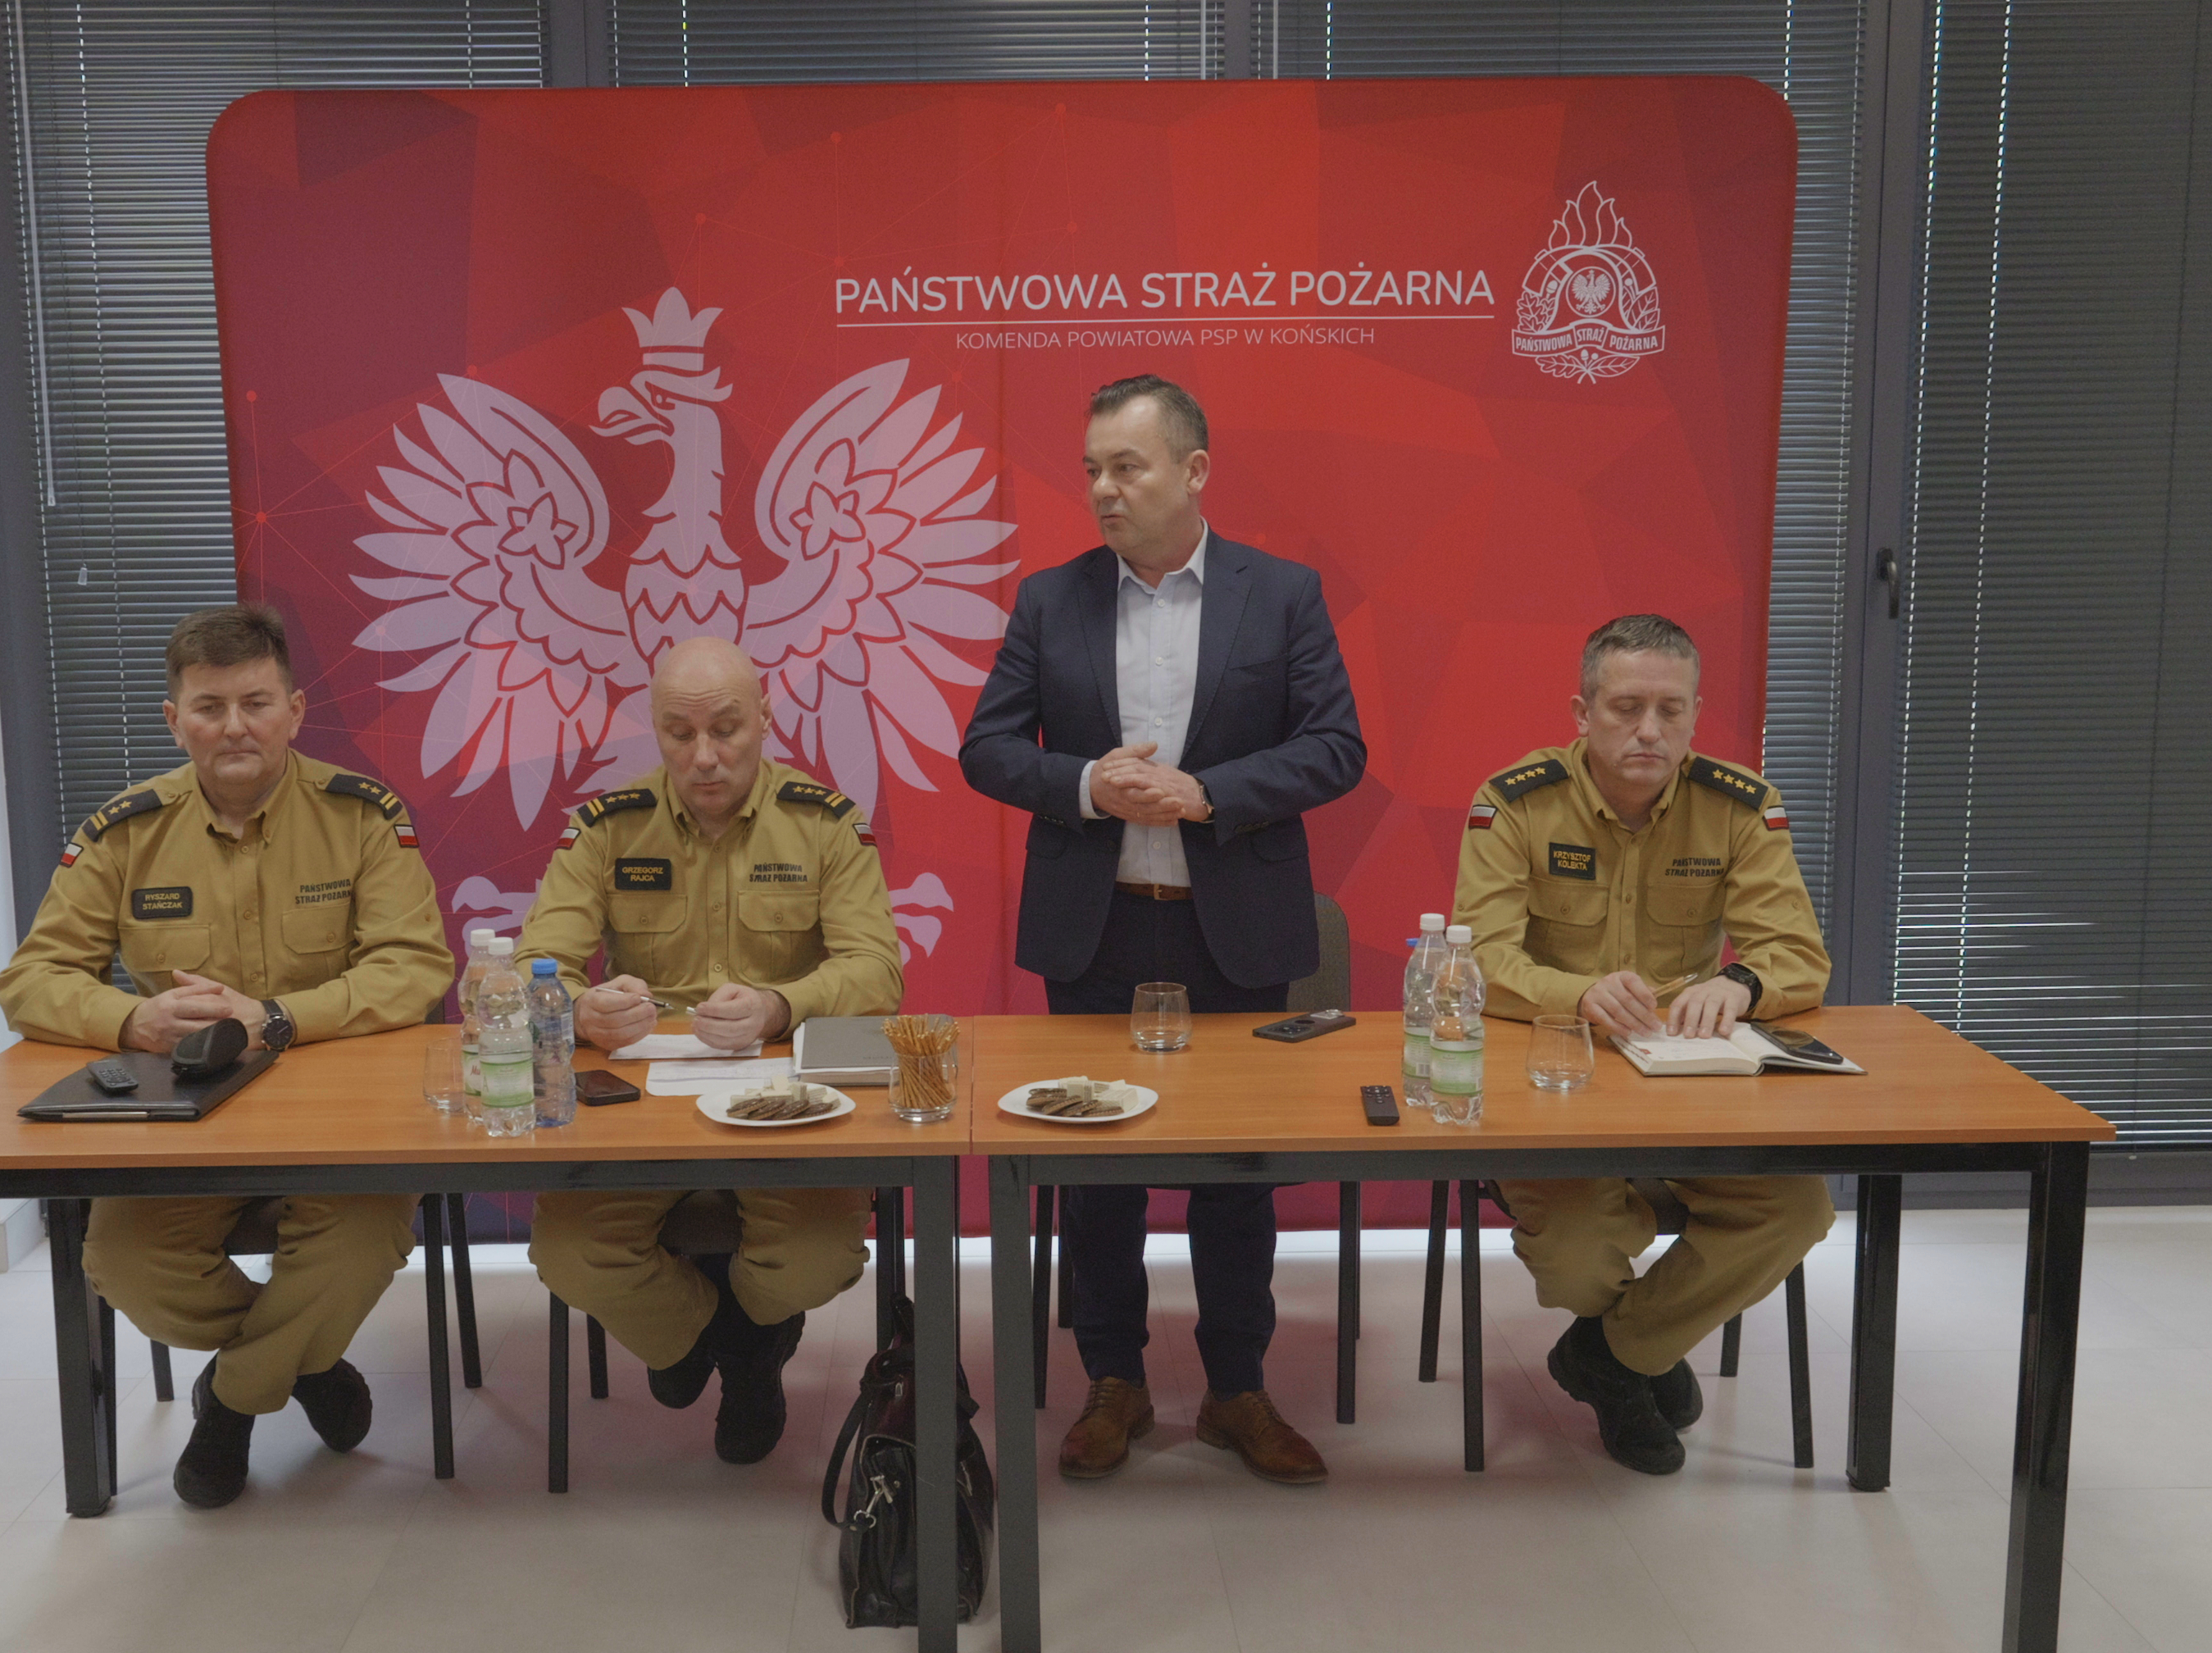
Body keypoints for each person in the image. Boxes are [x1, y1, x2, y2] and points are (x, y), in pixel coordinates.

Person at [960, 375, 1367, 1486]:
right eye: (1092, 468)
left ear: (1193, 472)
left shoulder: (1280, 595)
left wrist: (1207, 794)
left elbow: (1336, 747)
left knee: (1237, 1176)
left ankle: (1237, 1388)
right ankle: (1114, 1381)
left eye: (1126, 467)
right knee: (1098, 1178)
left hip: (1229, 930)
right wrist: (1087, 784)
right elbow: (987, 749)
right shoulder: (1051, 600)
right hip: (1097, 930)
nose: (1103, 488)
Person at [0, 604, 453, 1508]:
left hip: (341, 1120)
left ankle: (234, 1404)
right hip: (183, 1124)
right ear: (176, 721)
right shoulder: (126, 833)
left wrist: (276, 1018)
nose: (235, 726)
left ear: (295, 710)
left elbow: (414, 968)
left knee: (360, 1241)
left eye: (256, 702)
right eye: (210, 707)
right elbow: (31, 980)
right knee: (123, 1260)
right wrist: (133, 1020)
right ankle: (306, 1367)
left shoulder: (362, 817)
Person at [1453, 612, 1836, 1475]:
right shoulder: (1515, 802)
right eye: (1626, 708)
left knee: (1796, 1209)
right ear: (1583, 713)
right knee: (1577, 1262)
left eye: (1671, 709)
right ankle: (1640, 1351)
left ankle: (1611, 1359)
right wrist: (1577, 995)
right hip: (1555, 1084)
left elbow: (1798, 957)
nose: (1649, 731)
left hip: (1689, 1086)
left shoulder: (1739, 807)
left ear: (1697, 714)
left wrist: (1742, 984)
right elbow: (1479, 959)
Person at [517, 636, 904, 1464]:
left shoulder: (824, 824)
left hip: (787, 1099)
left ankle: (738, 1348)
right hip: (641, 1105)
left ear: (764, 717)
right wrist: (580, 1008)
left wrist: (779, 1005)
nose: (704, 757)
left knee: (817, 1258)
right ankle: (732, 1347)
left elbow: (877, 971)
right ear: (653, 728)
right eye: (679, 733)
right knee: (569, 1254)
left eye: (726, 730)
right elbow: (533, 965)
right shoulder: (609, 827)